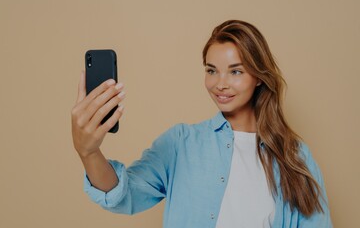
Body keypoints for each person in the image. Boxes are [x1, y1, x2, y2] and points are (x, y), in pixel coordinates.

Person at [71, 20, 332, 228]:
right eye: (211, 70)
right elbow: (124, 195)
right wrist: (89, 152)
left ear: (259, 77)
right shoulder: (180, 144)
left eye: (236, 71)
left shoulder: (295, 157)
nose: (220, 83)